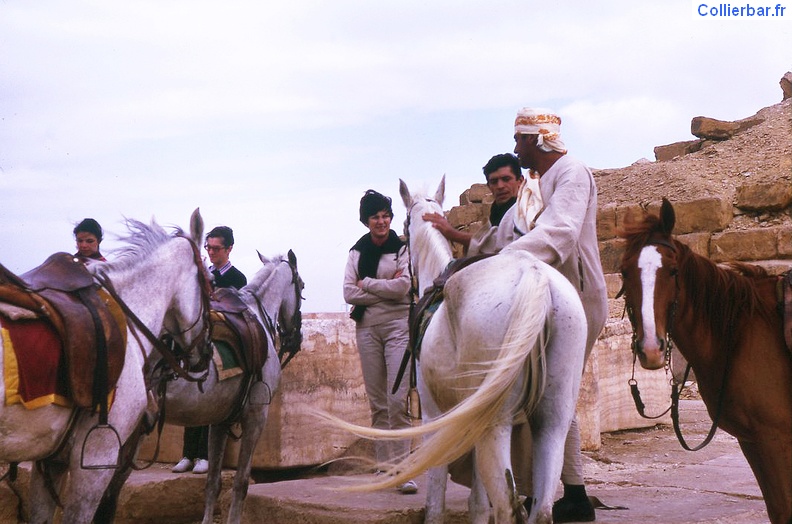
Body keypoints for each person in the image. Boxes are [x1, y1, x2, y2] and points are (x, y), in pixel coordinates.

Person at [343, 190, 418, 495]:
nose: (381, 221)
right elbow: (349, 293)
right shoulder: (356, 253)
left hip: (399, 327)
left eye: (386, 215)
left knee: (397, 400)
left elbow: (404, 288)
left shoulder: (401, 248)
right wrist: (386, 288)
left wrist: (370, 285)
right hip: (368, 329)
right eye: (375, 216)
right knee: (378, 403)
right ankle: (383, 466)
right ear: (366, 220)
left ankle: (403, 470)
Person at [172, 225, 247, 475]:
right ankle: (187, 454)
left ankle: (204, 455)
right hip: (200, 341)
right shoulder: (203, 274)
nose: (212, 252)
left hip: (222, 343)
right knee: (193, 394)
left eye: (216, 248)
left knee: (210, 397)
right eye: (209, 247)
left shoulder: (238, 279)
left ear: (229, 249)